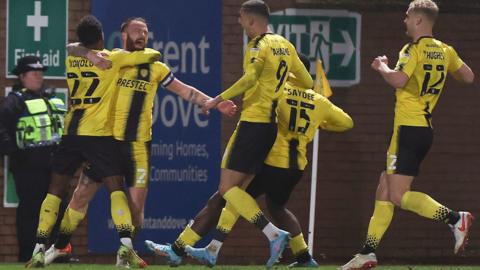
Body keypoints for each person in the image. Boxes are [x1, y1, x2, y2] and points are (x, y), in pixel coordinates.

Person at [42, 17, 237, 267]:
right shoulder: (110, 59)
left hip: (138, 147)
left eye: (145, 32)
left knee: (136, 209)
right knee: (81, 195)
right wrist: (88, 55)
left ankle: (124, 254)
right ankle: (60, 246)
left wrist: (214, 102)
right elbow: (72, 48)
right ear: (123, 34)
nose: (142, 35)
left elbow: (184, 90)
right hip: (108, 142)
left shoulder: (155, 67)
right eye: (136, 31)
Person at [183, 54, 354, 268]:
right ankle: (303, 257)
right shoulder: (319, 101)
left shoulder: (279, 92)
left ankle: (214, 250)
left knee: (235, 196)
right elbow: (347, 122)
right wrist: (321, 124)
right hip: (296, 167)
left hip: (272, 162)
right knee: (277, 207)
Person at [341, 1, 475, 269]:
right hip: (423, 129)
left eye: (407, 16)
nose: (404, 19)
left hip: (407, 128)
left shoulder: (412, 49)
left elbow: (399, 80)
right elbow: (468, 76)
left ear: (418, 21)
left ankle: (454, 218)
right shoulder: (445, 50)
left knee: (399, 196)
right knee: (385, 186)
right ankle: (368, 252)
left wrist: (382, 67)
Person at [25, 15, 161, 268]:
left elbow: (71, 47)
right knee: (116, 189)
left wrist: (86, 53)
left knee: (54, 191)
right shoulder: (113, 58)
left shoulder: (72, 58)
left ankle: (37, 249)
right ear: (100, 37)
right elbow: (153, 55)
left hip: (70, 133)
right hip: (98, 135)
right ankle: (127, 247)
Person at [0, 56, 66, 262]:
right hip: (28, 167)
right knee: (30, 211)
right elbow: (2, 128)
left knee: (59, 209)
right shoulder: (14, 100)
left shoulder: (50, 97)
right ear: (22, 76)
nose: (39, 76)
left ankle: (58, 255)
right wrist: (15, 153)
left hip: (54, 165)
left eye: (41, 73)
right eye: (34, 73)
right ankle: (28, 255)